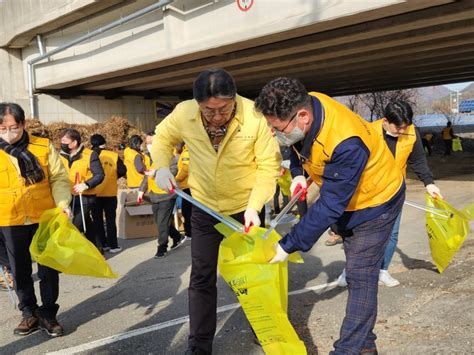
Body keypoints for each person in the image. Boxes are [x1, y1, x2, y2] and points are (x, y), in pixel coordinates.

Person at [254, 77, 405, 355]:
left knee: (360, 274)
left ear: (302, 116)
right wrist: (299, 175)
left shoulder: (346, 143)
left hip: (377, 201)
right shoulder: (308, 105)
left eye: (276, 128)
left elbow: (330, 206)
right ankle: (365, 348)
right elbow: (298, 145)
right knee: (359, 269)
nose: (275, 135)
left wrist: (288, 244)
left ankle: (346, 350)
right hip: (348, 197)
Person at [151, 68, 281, 354]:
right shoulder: (184, 113)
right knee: (201, 276)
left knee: (252, 274)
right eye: (208, 111)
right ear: (197, 104)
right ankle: (199, 344)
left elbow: (268, 166)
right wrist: (161, 166)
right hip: (205, 207)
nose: (217, 116)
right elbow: (161, 138)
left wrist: (254, 206)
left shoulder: (254, 116)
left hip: (244, 207)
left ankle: (263, 327)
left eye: (223, 109)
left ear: (233, 99)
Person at [337, 100, 442, 287]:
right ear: (385, 120)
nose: (402, 131)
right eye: (398, 127)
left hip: (395, 192)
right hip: (368, 193)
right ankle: (350, 271)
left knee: (391, 234)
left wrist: (429, 183)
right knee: (361, 235)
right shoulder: (367, 132)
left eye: (406, 127)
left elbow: (418, 161)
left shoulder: (411, 133)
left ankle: (382, 271)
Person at [0, 102, 71, 337]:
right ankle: (29, 313)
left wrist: (63, 204)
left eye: (13, 128)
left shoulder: (42, 146)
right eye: (2, 129)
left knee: (48, 269)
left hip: (44, 216)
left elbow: (59, 178)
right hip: (10, 220)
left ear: (22, 124)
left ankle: (48, 314)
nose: (8, 134)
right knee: (20, 270)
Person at [138, 132, 183, 259]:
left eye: (151, 143)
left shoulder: (171, 157)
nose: (149, 146)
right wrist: (141, 191)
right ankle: (176, 236)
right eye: (147, 143)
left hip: (167, 195)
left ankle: (162, 247)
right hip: (154, 195)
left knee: (162, 223)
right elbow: (147, 177)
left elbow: (173, 171)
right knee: (160, 222)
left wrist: (157, 173)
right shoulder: (150, 157)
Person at [60, 129, 104, 249]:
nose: (62, 144)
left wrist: (86, 185)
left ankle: (71, 254)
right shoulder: (60, 156)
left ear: (74, 143)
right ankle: (98, 249)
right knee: (88, 224)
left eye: (65, 141)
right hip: (69, 196)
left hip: (85, 197)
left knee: (75, 225)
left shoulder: (90, 155)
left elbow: (99, 175)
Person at [90, 134, 127, 253]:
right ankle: (113, 245)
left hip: (94, 192)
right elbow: (122, 171)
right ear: (104, 143)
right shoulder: (113, 155)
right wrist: (113, 176)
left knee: (97, 220)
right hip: (110, 192)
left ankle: (102, 244)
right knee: (110, 219)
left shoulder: (89, 155)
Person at [175, 142, 192, 240]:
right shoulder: (186, 152)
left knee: (187, 211)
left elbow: (185, 168)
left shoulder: (186, 153)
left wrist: (176, 178)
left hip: (187, 185)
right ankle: (189, 233)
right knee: (188, 211)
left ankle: (189, 234)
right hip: (187, 185)